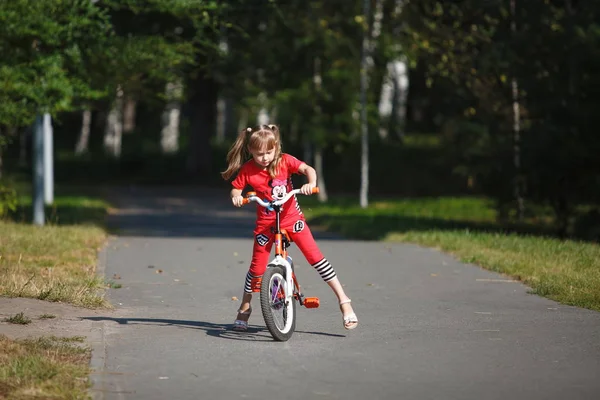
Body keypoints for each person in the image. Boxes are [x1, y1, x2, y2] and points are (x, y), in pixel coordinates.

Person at [221, 124, 358, 332]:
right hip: (266, 225)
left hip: (292, 220)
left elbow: (307, 169)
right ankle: (245, 307)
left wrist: (310, 183)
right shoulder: (248, 169)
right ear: (250, 151)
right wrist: (237, 197)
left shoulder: (285, 161)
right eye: (259, 154)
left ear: (276, 147)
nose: (265, 158)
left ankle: (344, 301)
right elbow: (236, 188)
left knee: (316, 258)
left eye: (269, 152)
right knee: (256, 269)